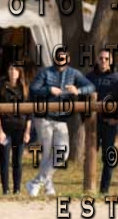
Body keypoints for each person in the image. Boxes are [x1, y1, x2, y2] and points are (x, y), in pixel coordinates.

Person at [27, 47, 95, 196]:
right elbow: (33, 89)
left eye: (63, 57)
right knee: (46, 154)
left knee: (62, 153)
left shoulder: (74, 73)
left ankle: (36, 182)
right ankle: (48, 187)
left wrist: (78, 91)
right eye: (58, 57)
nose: (60, 60)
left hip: (61, 119)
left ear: (68, 59)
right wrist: (49, 90)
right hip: (44, 117)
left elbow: (91, 86)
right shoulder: (45, 72)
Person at [0, 64, 31, 195]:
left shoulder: (24, 88)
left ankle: (17, 189)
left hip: (20, 128)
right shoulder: (1, 88)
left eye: (15, 70)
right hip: (5, 128)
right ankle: (5, 189)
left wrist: (27, 132)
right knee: (4, 159)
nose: (12, 72)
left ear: (19, 72)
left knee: (17, 161)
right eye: (10, 69)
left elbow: (29, 113)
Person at [86, 47, 118, 195]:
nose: (103, 61)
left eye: (106, 59)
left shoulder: (116, 79)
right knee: (90, 155)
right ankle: (88, 188)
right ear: (97, 60)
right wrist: (84, 119)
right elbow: (81, 99)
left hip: (109, 124)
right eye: (101, 58)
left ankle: (104, 190)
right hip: (92, 124)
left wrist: (115, 118)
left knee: (109, 158)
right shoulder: (89, 77)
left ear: (111, 61)